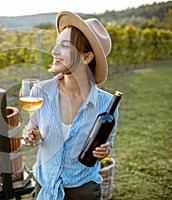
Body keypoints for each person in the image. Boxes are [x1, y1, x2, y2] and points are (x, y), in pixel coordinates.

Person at [22, 11, 118, 200]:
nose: (54, 51)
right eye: (56, 44)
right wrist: (33, 134)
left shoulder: (107, 104)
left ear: (87, 57)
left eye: (64, 46)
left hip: (83, 190)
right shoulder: (40, 92)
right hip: (45, 186)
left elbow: (108, 142)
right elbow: (34, 129)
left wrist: (104, 151)